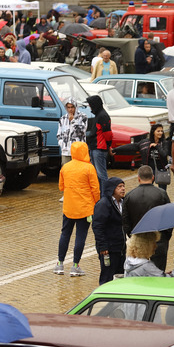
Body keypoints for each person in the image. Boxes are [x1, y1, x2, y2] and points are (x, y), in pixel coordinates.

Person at [56, 141, 100, 277]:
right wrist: (97, 204)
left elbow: (61, 187)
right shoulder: (89, 168)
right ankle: (75, 266)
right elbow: (96, 189)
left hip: (68, 208)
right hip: (85, 209)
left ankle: (60, 264)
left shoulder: (65, 167)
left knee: (65, 234)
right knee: (80, 237)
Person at [122, 165, 172, 270]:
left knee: (139, 273)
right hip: (159, 239)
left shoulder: (129, 196)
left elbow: (125, 221)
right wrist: (166, 237)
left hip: (138, 239)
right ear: (153, 177)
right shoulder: (162, 194)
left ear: (138, 178)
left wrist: (131, 235)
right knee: (158, 273)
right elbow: (169, 217)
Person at [93, 177, 127, 284]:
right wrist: (103, 246)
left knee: (120, 277)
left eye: (123, 186)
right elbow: (97, 226)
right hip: (109, 249)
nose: (123, 189)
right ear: (112, 189)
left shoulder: (124, 202)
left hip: (121, 248)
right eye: (119, 187)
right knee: (107, 278)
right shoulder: (103, 204)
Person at [86, 95, 112, 190]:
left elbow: (107, 134)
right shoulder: (99, 114)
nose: (89, 107)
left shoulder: (102, 116)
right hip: (95, 147)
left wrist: (108, 145)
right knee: (97, 173)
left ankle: (105, 194)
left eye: (90, 105)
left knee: (101, 174)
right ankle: (100, 194)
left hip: (99, 148)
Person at [140, 124, 171, 191]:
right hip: (150, 170)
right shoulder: (146, 142)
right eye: (158, 131)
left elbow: (164, 154)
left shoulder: (164, 143)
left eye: (161, 131)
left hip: (162, 170)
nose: (160, 133)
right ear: (153, 132)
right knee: (147, 189)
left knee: (162, 190)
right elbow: (133, 146)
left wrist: (157, 146)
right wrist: (115, 150)